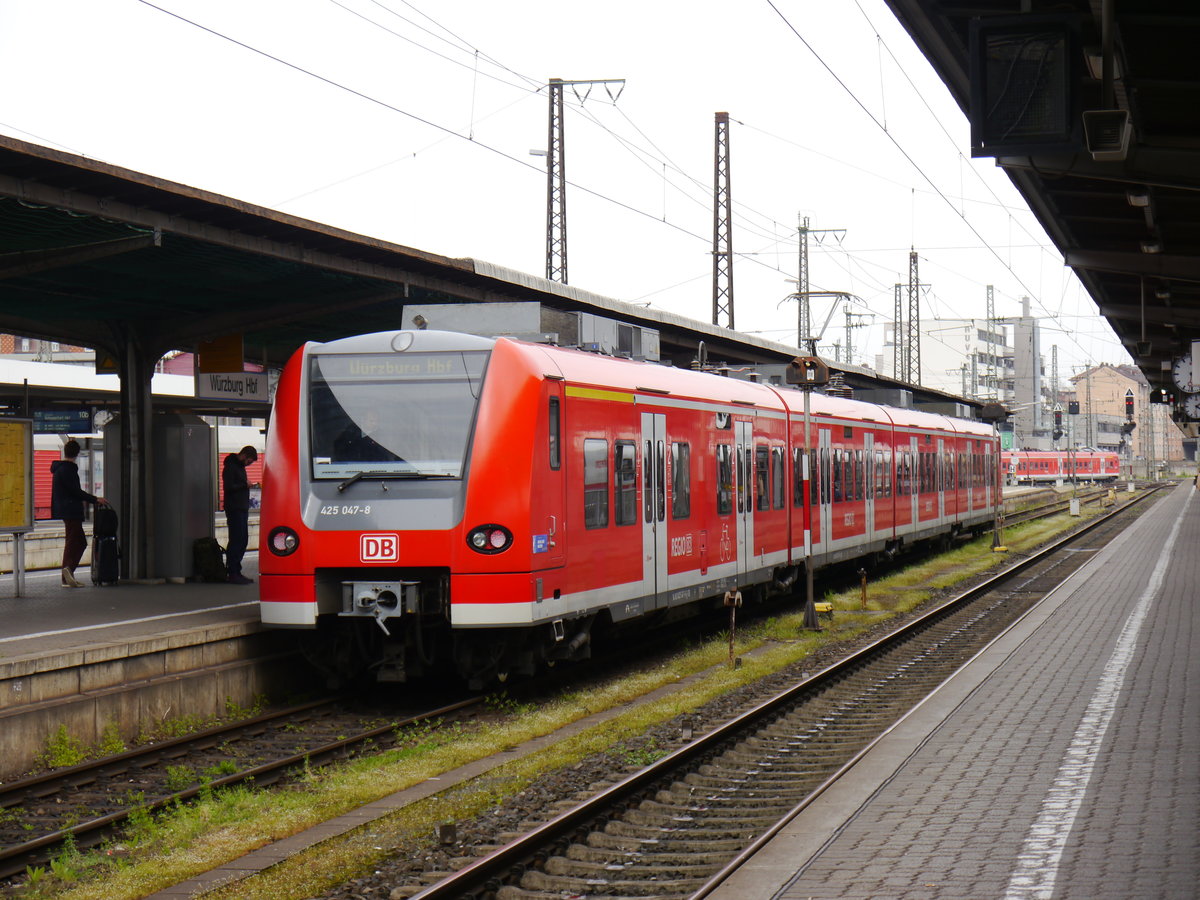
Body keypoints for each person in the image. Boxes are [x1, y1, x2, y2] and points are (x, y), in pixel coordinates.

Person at [50, 439, 104, 588]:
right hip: (71, 510)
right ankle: (67, 571)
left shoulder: (59, 469)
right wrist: (95, 499)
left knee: (75, 541)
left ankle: (67, 575)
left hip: (65, 510)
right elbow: (76, 492)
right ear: (77, 454)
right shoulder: (68, 469)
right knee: (76, 541)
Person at [222, 445, 258, 585]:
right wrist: (245, 485)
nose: (249, 464)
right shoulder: (231, 467)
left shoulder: (239, 467)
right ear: (243, 455)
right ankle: (233, 572)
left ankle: (236, 570)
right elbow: (229, 487)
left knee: (242, 539)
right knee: (237, 539)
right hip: (235, 508)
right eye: (249, 461)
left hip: (241, 508)